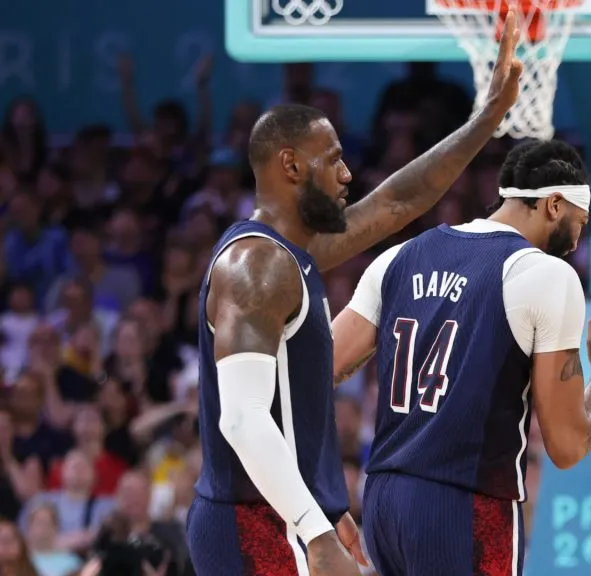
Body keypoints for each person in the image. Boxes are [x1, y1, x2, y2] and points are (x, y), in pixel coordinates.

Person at [184, 14, 525, 576]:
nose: (347, 174)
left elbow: (399, 201)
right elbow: (242, 419)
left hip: (280, 515)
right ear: (291, 164)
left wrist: (487, 116)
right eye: (333, 159)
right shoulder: (256, 265)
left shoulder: (290, 253)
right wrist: (314, 532)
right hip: (255, 524)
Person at [330, 139, 591, 575]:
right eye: (580, 222)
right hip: (465, 506)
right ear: (554, 204)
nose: (576, 241)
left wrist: (322, 492)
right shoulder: (546, 275)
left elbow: (312, 375)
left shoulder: (399, 257)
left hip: (384, 501)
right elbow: (567, 444)